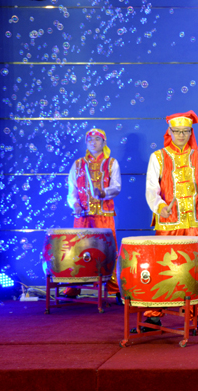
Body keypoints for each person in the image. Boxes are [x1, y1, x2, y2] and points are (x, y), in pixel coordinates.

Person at [135, 110, 198, 334]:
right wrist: (160, 207)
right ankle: (154, 316)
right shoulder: (158, 156)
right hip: (168, 224)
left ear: (191, 132)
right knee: (161, 269)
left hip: (194, 224)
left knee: (196, 270)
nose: (181, 135)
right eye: (177, 131)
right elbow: (151, 189)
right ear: (170, 132)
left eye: (185, 131)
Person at [66, 128, 121, 300]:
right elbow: (72, 190)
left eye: (97, 139)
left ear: (104, 142)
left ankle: (115, 289)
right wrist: (75, 204)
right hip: (83, 216)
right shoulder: (78, 164)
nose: (93, 142)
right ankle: (73, 289)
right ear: (86, 143)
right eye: (90, 139)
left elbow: (116, 187)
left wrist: (104, 192)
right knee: (78, 250)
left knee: (108, 251)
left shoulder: (111, 163)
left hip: (104, 215)